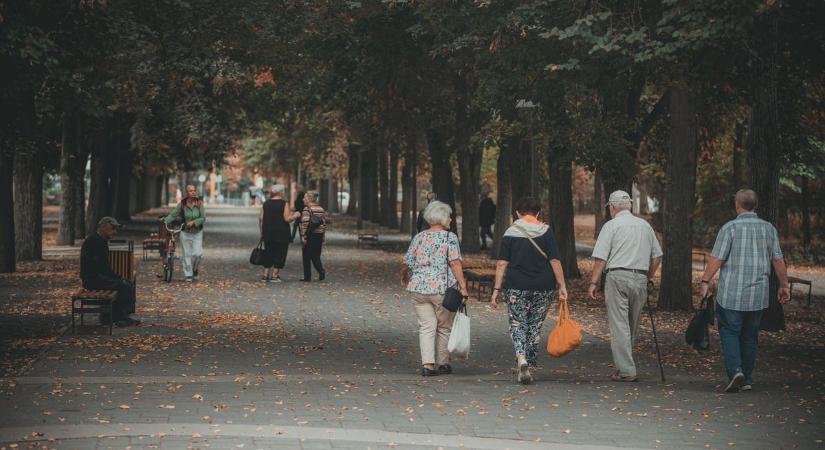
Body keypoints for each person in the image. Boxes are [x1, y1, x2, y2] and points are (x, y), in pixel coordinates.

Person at [698, 189, 791, 393]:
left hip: (732, 293)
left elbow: (717, 258)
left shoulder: (730, 228)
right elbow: (777, 259)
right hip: (757, 295)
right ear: (755, 206)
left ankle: (736, 371)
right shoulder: (768, 229)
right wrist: (784, 285)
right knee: (750, 336)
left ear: (737, 205)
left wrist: (705, 280)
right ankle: (747, 379)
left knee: (729, 332)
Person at [587, 190, 662, 382]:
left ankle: (627, 370)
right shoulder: (645, 226)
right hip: (640, 278)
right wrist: (649, 276)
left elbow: (600, 258)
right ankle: (623, 367)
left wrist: (593, 283)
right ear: (629, 206)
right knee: (631, 324)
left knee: (619, 325)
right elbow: (657, 256)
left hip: (617, 276)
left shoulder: (611, 226)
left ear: (612, 207)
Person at [490, 197, 567, 385]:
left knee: (517, 323)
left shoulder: (510, 233)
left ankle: (521, 357)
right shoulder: (546, 232)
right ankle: (529, 364)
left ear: (517, 213)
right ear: (538, 213)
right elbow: (555, 260)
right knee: (535, 325)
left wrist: (496, 289)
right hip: (544, 286)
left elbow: (502, 263)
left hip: (516, 285)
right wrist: (562, 285)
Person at [402, 201, 470, 377]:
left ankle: (427, 365)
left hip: (419, 289)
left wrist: (405, 276)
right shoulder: (449, 237)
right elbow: (455, 263)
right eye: (449, 216)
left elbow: (408, 261)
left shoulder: (419, 237)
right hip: (441, 289)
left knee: (426, 326)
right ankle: (443, 363)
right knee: (443, 326)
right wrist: (463, 287)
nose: (451, 220)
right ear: (441, 218)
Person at [80, 217, 139, 327]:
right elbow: (100, 267)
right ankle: (118, 318)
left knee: (127, 284)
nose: (114, 232)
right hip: (92, 279)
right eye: (113, 228)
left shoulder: (101, 240)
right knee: (123, 286)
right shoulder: (93, 241)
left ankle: (118, 316)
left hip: (99, 277)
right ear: (104, 227)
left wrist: (116, 277)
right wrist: (117, 278)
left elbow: (103, 267)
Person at [259, 184, 300, 282]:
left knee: (268, 252)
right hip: (281, 233)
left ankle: (265, 275)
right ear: (281, 192)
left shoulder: (266, 204)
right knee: (280, 253)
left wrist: (262, 232)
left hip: (268, 232)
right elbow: (287, 219)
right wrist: (295, 215)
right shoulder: (284, 204)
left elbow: (261, 219)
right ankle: (275, 275)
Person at [165, 184, 206, 282]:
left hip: (197, 232)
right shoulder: (182, 204)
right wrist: (165, 220)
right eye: (191, 191)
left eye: (194, 190)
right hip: (185, 232)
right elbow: (173, 214)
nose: (193, 192)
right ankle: (188, 274)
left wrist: (194, 222)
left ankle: (195, 269)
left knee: (198, 254)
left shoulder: (199, 203)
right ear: (186, 193)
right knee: (186, 254)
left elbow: (203, 218)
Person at [299, 190, 329, 281]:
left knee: (306, 256)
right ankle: (321, 271)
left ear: (309, 199)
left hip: (310, 235)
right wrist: (323, 236)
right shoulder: (321, 209)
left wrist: (303, 236)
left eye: (304, 197)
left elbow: (305, 224)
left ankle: (307, 277)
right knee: (316, 256)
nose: (303, 199)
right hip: (318, 235)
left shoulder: (306, 209)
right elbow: (324, 224)